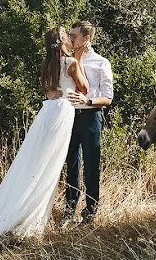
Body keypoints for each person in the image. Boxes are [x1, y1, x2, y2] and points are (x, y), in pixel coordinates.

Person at [0, 26, 89, 252]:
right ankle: (30, 218)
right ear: (63, 40)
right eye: (68, 35)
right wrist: (79, 59)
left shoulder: (47, 64)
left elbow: (47, 88)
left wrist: (50, 91)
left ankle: (16, 209)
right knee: (50, 167)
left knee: (33, 163)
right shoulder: (71, 63)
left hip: (46, 112)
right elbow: (84, 88)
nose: (70, 38)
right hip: (62, 113)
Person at [47, 20, 114, 225]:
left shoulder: (101, 63)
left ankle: (91, 210)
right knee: (71, 164)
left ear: (86, 38)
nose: (71, 38)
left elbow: (108, 98)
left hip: (91, 117)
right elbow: (51, 82)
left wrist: (89, 101)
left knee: (92, 165)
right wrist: (49, 93)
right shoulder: (64, 61)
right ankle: (70, 209)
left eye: (74, 35)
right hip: (68, 117)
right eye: (71, 35)